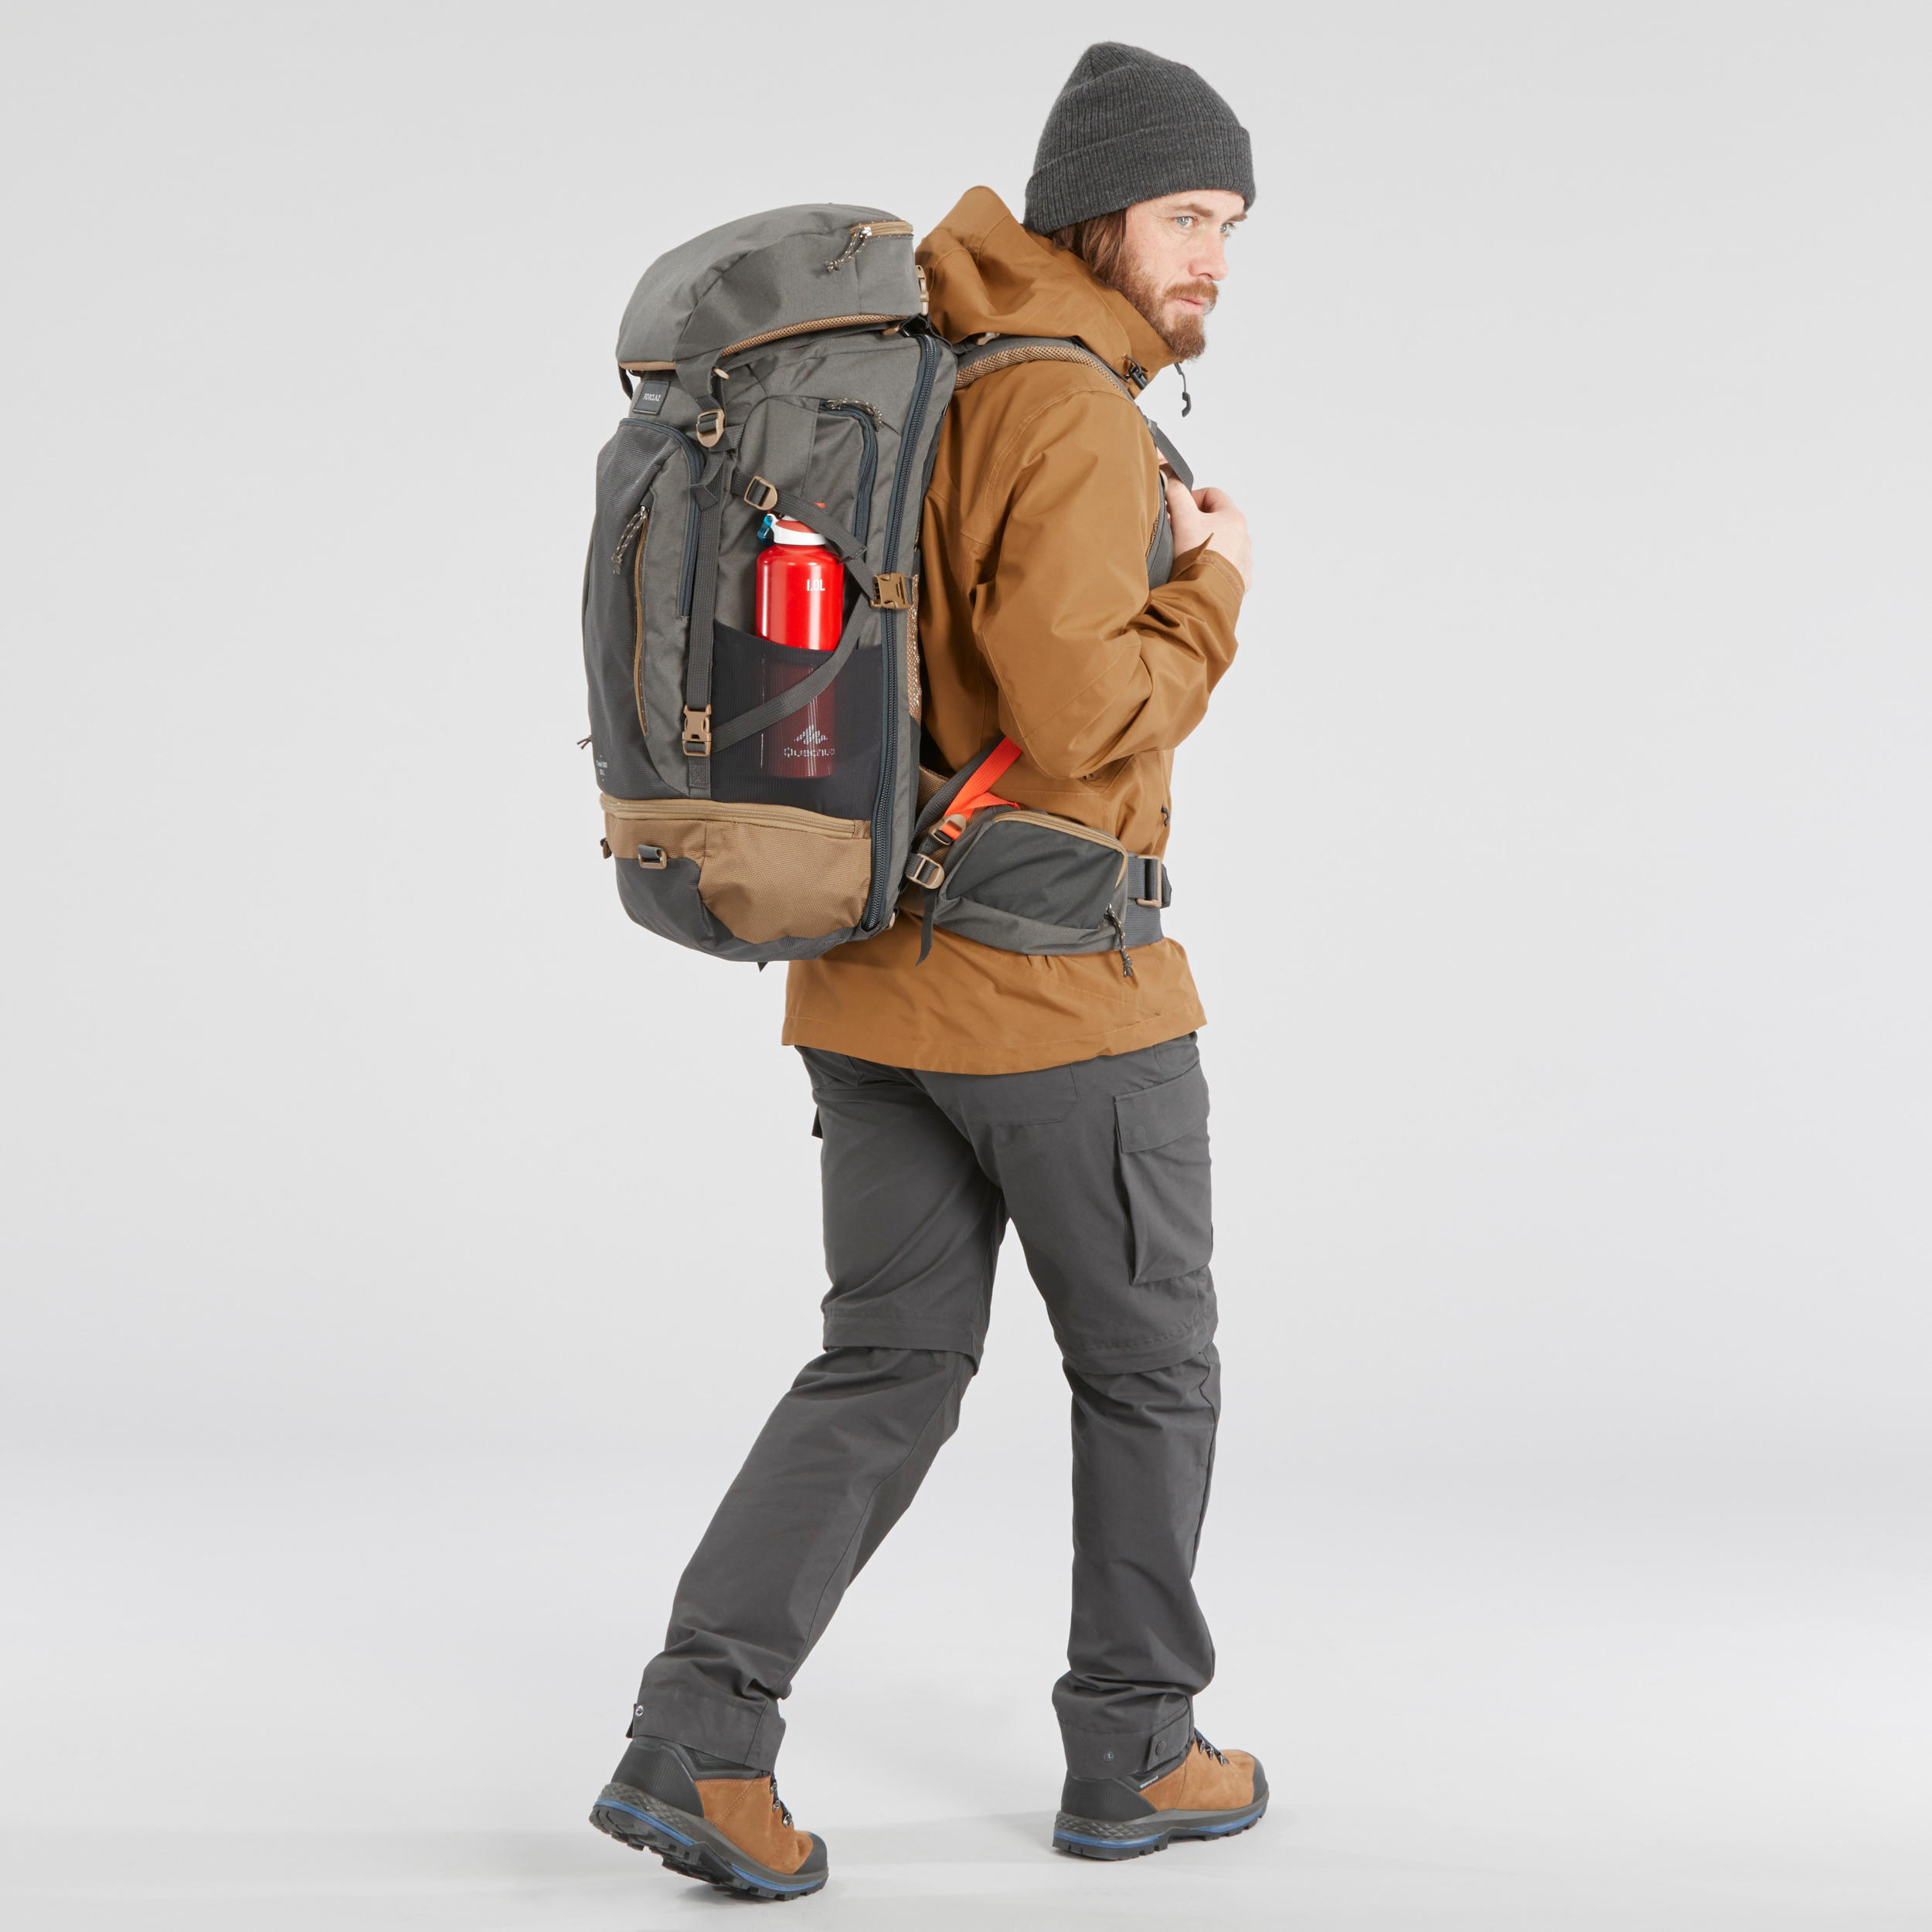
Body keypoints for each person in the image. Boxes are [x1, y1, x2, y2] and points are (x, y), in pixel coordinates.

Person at [590, 42, 1263, 1901]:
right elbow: (1078, 709)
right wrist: (1213, 585)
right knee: (1148, 1371)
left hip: (866, 984)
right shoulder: (1065, 407)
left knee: (882, 1363)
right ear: (1096, 214)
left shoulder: (931, 371)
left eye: (1228, 222)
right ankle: (1136, 1746)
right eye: (1186, 214)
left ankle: (696, 1736)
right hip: (1057, 1000)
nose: (1212, 256)